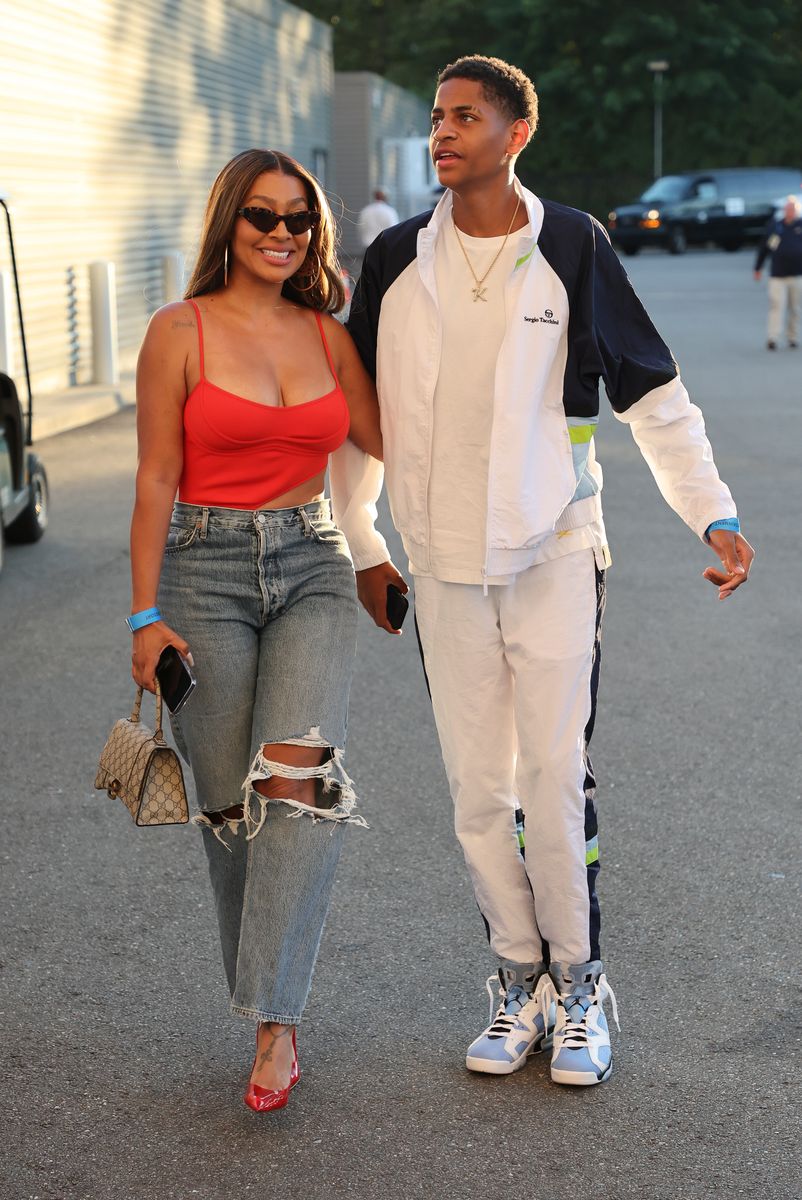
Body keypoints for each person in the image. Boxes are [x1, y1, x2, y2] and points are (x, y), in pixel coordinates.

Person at [332, 56, 755, 1088]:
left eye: (464, 116)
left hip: (556, 553)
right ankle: (515, 979)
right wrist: (365, 544)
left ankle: (581, 985)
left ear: (516, 132)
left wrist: (713, 512)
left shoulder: (570, 245)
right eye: (436, 116)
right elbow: (356, 422)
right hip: (443, 571)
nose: (442, 132)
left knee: (551, 782)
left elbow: (652, 396)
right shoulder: (393, 261)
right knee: (478, 792)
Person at [129, 148, 382, 1113]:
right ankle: (271, 992)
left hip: (313, 566)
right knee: (232, 802)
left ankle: (276, 1021)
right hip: (201, 571)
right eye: (262, 219)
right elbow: (156, 476)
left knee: (296, 779)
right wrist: (144, 615)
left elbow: (389, 434)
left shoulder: (327, 336)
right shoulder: (178, 331)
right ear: (229, 226)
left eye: (298, 221)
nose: (282, 235)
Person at [754, 195, 802, 350]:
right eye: (788, 209)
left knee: (795, 308)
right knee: (776, 306)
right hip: (778, 275)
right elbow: (765, 248)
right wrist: (758, 268)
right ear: (784, 211)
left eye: (793, 209)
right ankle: (772, 337)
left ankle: (792, 337)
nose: (790, 212)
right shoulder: (776, 227)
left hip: (797, 274)